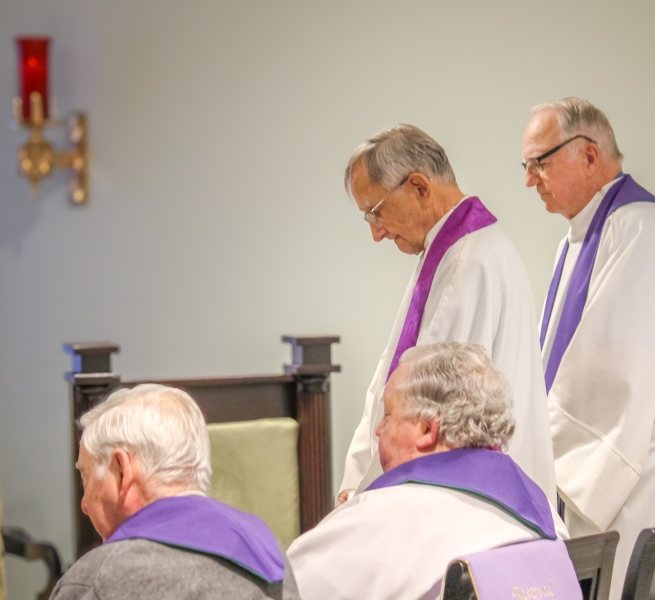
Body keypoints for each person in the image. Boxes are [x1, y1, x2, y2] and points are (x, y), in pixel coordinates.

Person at [523, 97, 655, 596]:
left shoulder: (639, 226)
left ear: (589, 155)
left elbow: (612, 375)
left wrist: (530, 443)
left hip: (635, 475)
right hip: (610, 473)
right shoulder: (576, 238)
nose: (529, 180)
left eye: (539, 163)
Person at [338, 124, 556, 504]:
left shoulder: (467, 266)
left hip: (475, 504)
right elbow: (390, 370)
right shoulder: (455, 249)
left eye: (376, 212)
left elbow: (422, 410)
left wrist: (365, 496)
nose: (377, 232)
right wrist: (354, 480)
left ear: (419, 188)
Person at [285, 342, 567, 600]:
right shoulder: (546, 517)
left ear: (427, 429)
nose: (379, 429)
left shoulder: (376, 521)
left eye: (388, 415)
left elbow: (290, 586)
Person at [50, 384, 284, 600]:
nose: (84, 504)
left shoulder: (95, 582)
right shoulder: (270, 557)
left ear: (122, 471)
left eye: (87, 478)